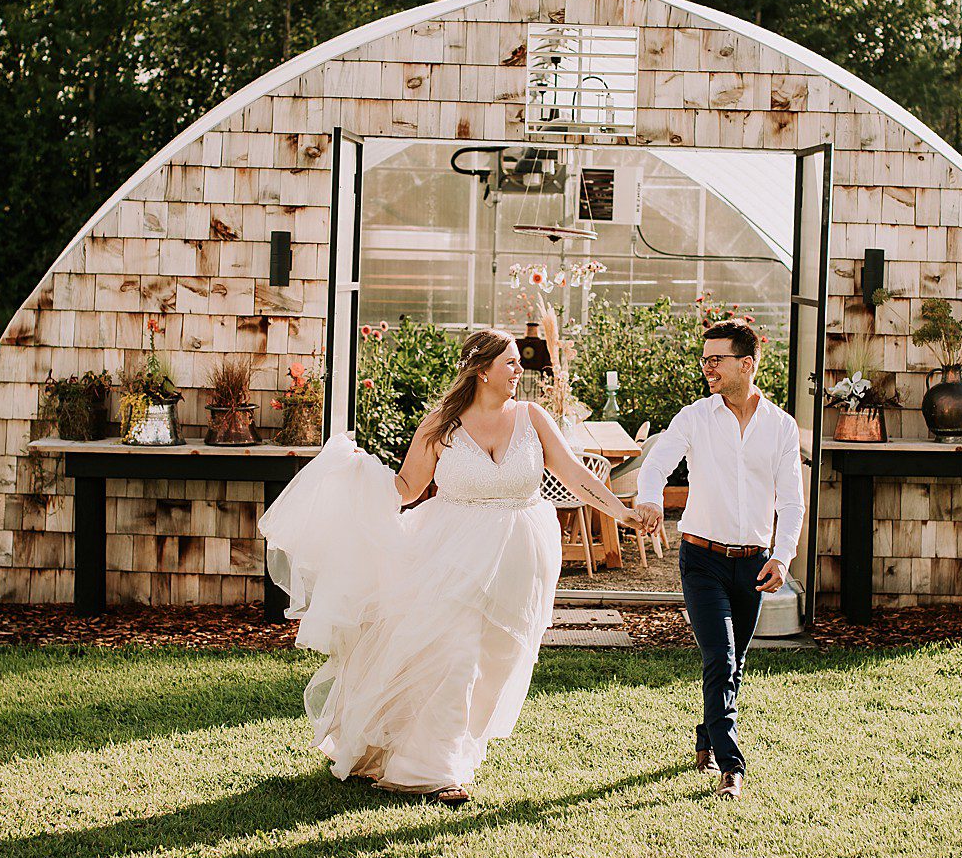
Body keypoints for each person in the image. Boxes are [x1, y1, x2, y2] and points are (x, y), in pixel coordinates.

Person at [258, 328, 632, 806]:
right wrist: (357, 477)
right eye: (512, 363)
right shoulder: (442, 425)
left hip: (522, 556)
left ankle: (452, 748)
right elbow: (408, 487)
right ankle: (434, 769)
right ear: (482, 370)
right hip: (452, 553)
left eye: (519, 362)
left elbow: (575, 475)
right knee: (454, 656)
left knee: (497, 662)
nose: (520, 371)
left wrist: (622, 513)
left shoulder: (532, 418)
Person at [633, 319, 804, 800]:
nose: (707, 367)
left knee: (734, 661)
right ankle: (731, 766)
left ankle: (706, 735)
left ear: (746, 364)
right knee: (721, 655)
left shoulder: (781, 427)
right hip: (701, 558)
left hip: (753, 562)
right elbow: (658, 461)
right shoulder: (695, 417)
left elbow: (791, 503)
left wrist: (783, 558)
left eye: (716, 359)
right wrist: (649, 497)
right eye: (705, 359)